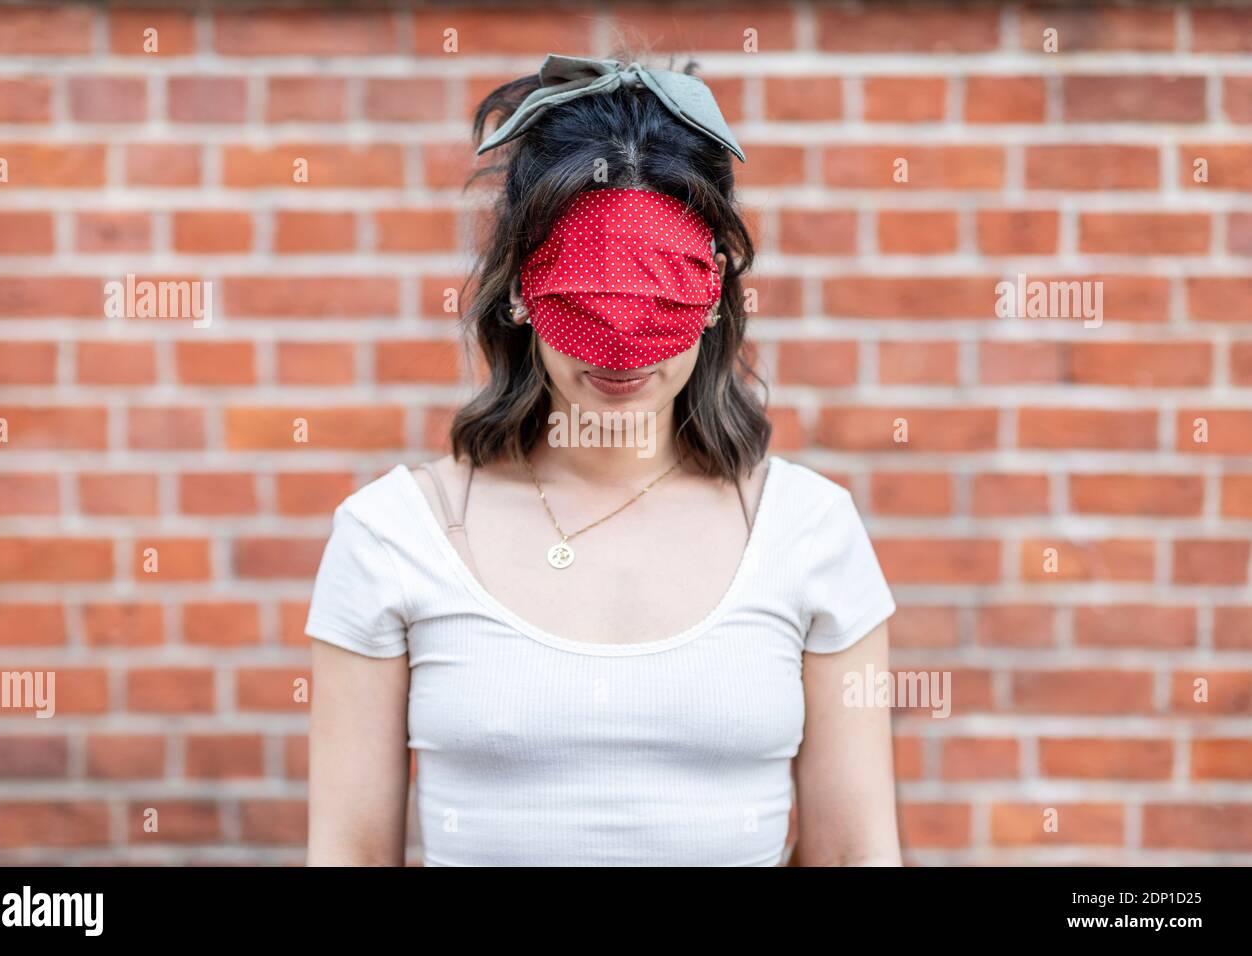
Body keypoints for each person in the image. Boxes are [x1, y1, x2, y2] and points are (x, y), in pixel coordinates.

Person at [305, 53, 900, 867]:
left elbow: (851, 855)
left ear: (717, 287)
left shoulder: (810, 531)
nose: (621, 347)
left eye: (656, 289)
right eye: (587, 291)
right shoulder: (393, 535)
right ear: (519, 288)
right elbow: (350, 856)